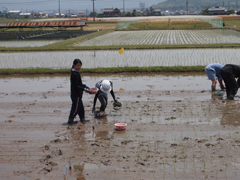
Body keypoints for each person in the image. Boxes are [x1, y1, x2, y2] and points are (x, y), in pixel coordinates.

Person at [68, 59, 89, 124]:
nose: (79, 67)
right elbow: (76, 86)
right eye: (78, 65)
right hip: (76, 95)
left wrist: (85, 86)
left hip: (77, 95)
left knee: (81, 109)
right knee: (75, 109)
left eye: (80, 65)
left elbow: (79, 84)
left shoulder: (75, 72)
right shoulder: (75, 74)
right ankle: (70, 120)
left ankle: (82, 119)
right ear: (74, 65)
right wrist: (84, 89)